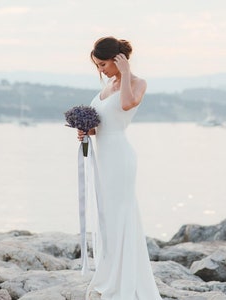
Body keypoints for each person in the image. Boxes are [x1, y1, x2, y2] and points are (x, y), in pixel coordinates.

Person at [78, 36, 162, 300]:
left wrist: (125, 73)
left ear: (118, 59)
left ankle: (127, 281)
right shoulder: (107, 86)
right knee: (106, 216)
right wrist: (85, 130)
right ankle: (110, 273)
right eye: (98, 66)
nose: (101, 70)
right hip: (102, 156)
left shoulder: (136, 83)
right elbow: (101, 124)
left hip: (120, 156)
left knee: (122, 214)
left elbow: (126, 105)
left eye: (103, 64)